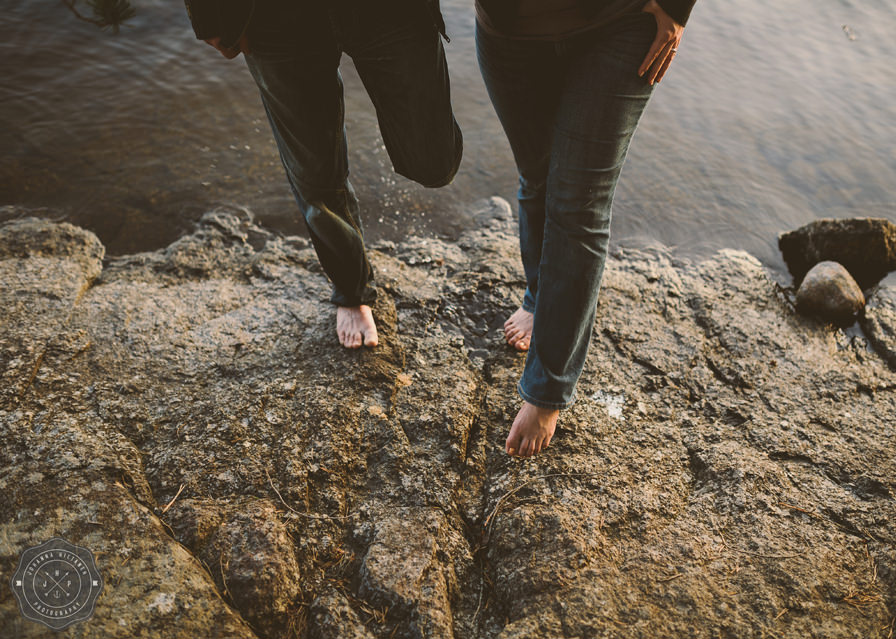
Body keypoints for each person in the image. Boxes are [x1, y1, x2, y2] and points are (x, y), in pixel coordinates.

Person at [475, 0, 696, 457]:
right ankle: (540, 300)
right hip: (510, 31)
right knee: (538, 178)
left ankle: (547, 390)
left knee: (579, 204)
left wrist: (677, 5)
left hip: (622, 23)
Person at [184, 0, 463, 348]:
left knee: (434, 161)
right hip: (275, 14)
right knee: (315, 173)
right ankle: (352, 290)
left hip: (393, 9)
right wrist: (207, 13)